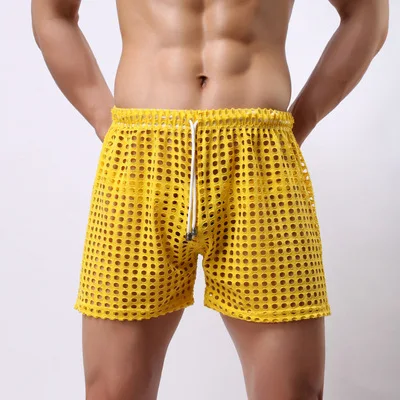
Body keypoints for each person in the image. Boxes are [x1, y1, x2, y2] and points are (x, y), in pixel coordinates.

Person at [31, 0, 389, 399]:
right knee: (112, 392)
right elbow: (51, 12)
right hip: (141, 159)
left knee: (293, 392)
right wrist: (104, 118)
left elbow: (368, 13)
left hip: (259, 160)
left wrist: (300, 122)